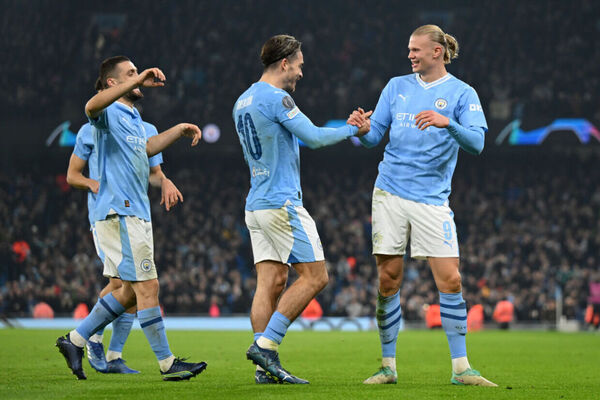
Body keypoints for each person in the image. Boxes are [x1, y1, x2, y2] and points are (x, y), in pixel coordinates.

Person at [347, 25, 496, 386]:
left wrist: (449, 124)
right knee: (388, 279)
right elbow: (373, 139)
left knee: (451, 279)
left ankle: (461, 369)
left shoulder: (462, 93)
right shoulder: (396, 86)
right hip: (390, 193)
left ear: (437, 52)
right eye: (409, 50)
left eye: (416, 50)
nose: (410, 55)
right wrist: (363, 130)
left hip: (432, 199)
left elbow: (476, 142)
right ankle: (387, 366)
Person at [56, 55, 206, 381]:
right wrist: (136, 81)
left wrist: (178, 130)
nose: (138, 77)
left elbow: (149, 147)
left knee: (126, 292)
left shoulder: (136, 120)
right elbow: (90, 108)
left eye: (137, 73)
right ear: (114, 82)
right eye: (131, 73)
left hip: (137, 212)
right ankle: (168, 364)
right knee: (147, 287)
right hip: (119, 211)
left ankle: (76, 339)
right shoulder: (107, 113)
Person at [233, 34, 370, 384]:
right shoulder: (278, 98)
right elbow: (314, 137)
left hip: (256, 205)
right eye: (299, 65)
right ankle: (266, 345)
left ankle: (264, 368)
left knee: (271, 282)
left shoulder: (242, 101)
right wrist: (351, 128)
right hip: (281, 203)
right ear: (284, 63)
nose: (301, 73)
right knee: (316, 276)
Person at [66, 117, 183, 373]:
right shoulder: (91, 129)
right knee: (124, 284)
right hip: (106, 214)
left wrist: (164, 180)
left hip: (138, 214)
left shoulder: (148, 129)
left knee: (130, 287)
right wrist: (91, 183)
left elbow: (155, 173)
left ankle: (100, 348)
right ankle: (94, 339)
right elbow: (72, 176)